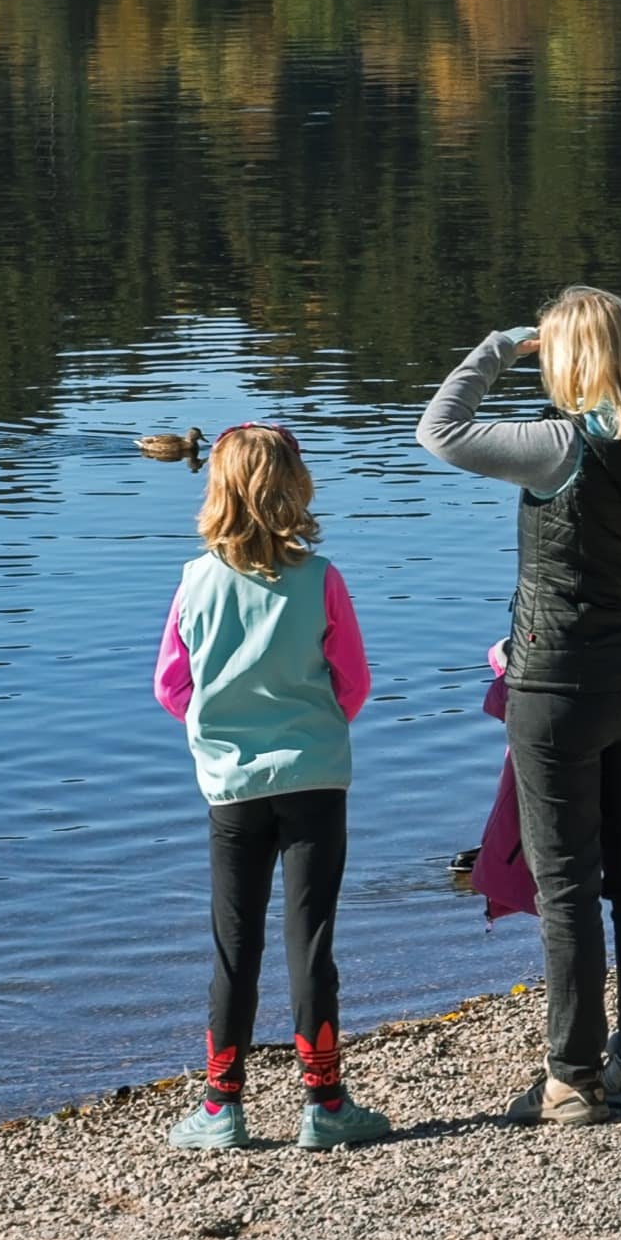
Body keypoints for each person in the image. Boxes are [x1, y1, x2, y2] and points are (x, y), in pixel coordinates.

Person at [418, 287, 621, 1125]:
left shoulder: (560, 444)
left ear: (565, 359)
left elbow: (436, 431)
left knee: (569, 885)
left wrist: (494, 347)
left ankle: (572, 1078)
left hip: (559, 689)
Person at [154, 423, 391, 1152]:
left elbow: (171, 687)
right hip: (316, 776)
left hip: (231, 785)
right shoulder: (323, 579)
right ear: (296, 487)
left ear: (216, 488)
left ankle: (222, 1108)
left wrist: (222, 728)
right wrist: (312, 725)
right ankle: (323, 1102)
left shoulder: (195, 580)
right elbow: (354, 684)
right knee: (310, 939)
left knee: (235, 944)